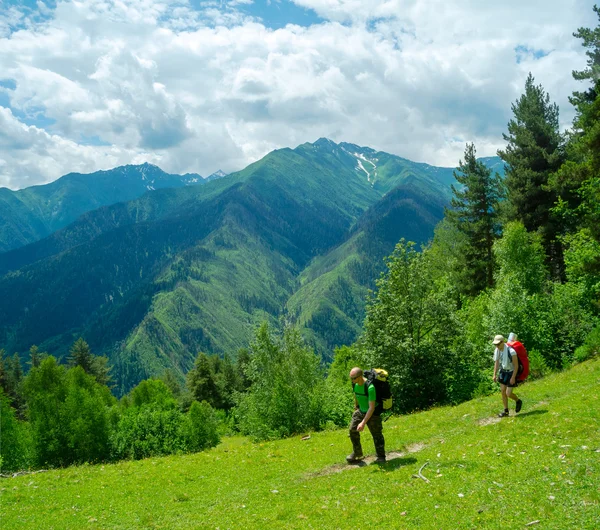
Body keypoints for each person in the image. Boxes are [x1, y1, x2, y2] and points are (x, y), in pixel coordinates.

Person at [346, 367, 386, 464]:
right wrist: (356, 406)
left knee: (376, 435)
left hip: (373, 413)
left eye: (354, 378)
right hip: (361, 411)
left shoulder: (370, 387)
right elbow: (356, 394)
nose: (352, 380)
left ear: (360, 377)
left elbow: (371, 408)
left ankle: (381, 456)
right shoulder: (355, 384)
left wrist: (363, 422)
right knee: (352, 430)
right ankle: (357, 453)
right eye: (351, 378)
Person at [492, 334, 523, 417]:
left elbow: (516, 366)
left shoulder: (511, 351)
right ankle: (506, 411)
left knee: (508, 393)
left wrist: (513, 377)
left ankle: (518, 401)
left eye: (498, 344)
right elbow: (497, 362)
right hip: (503, 372)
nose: (497, 346)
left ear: (503, 342)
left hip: (511, 372)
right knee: (503, 391)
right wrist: (494, 374)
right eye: (495, 344)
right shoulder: (497, 350)